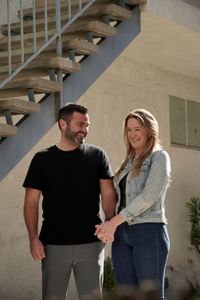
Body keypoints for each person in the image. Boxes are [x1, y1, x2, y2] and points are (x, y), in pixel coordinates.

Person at [23, 103, 116, 300]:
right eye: (80, 124)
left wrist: (109, 221)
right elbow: (31, 201)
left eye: (87, 125)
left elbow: (108, 193)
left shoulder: (97, 155)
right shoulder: (42, 159)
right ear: (62, 124)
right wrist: (33, 238)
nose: (85, 130)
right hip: (53, 245)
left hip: (91, 243)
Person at [95, 109, 171, 300]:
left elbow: (148, 196)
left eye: (137, 129)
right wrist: (109, 225)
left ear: (149, 131)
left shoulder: (159, 157)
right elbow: (118, 198)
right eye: (129, 130)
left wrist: (112, 223)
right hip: (122, 233)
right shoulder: (128, 162)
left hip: (149, 231)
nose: (132, 134)